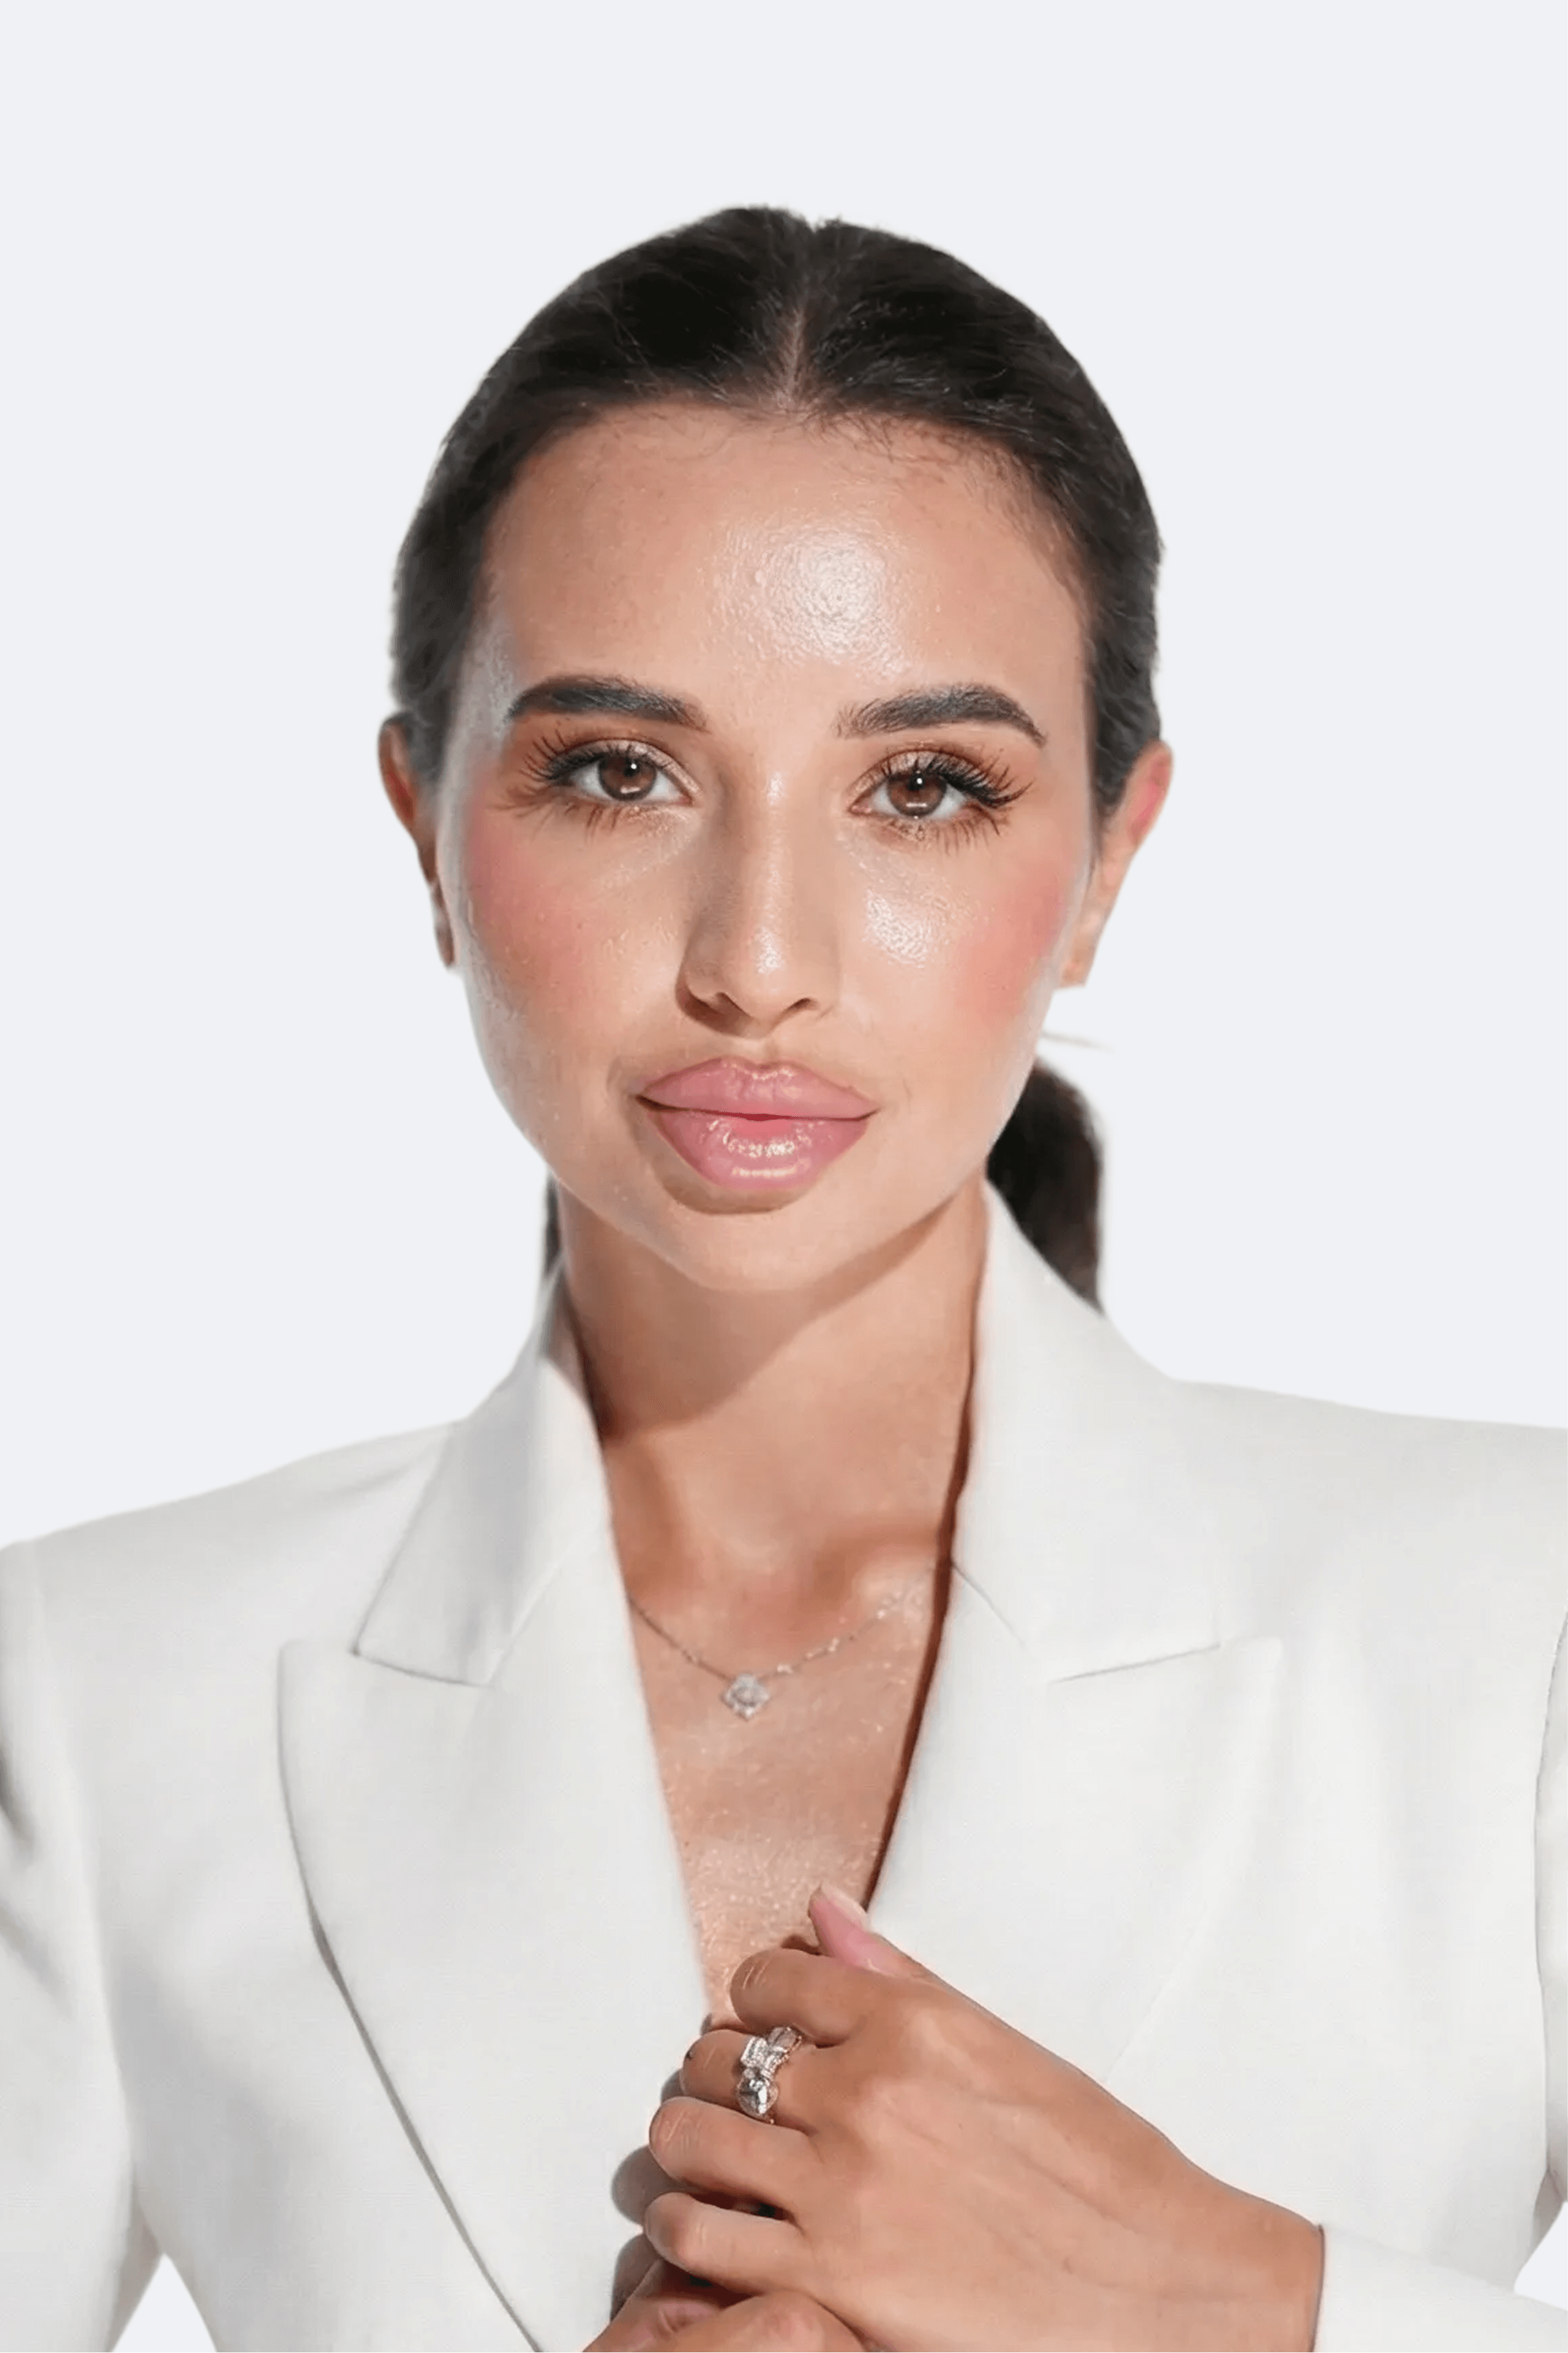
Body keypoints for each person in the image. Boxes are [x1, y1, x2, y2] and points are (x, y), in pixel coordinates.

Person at [1, 206, 1564, 2353]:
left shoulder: (1515, 1631)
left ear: (1109, 857)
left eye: (922, 787)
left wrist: (1226, 2296)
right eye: (616, 771)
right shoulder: (94, 1697)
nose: (757, 958)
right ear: (424, 825)